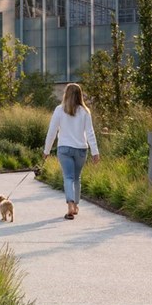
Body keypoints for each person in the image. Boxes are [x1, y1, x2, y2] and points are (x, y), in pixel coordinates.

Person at [43, 83, 100, 220]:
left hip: (64, 149)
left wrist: (47, 150)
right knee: (76, 177)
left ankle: (70, 205)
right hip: (81, 149)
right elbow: (90, 133)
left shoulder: (59, 110)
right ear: (80, 95)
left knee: (68, 177)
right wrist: (95, 152)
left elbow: (52, 131)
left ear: (66, 94)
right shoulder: (85, 112)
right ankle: (75, 205)